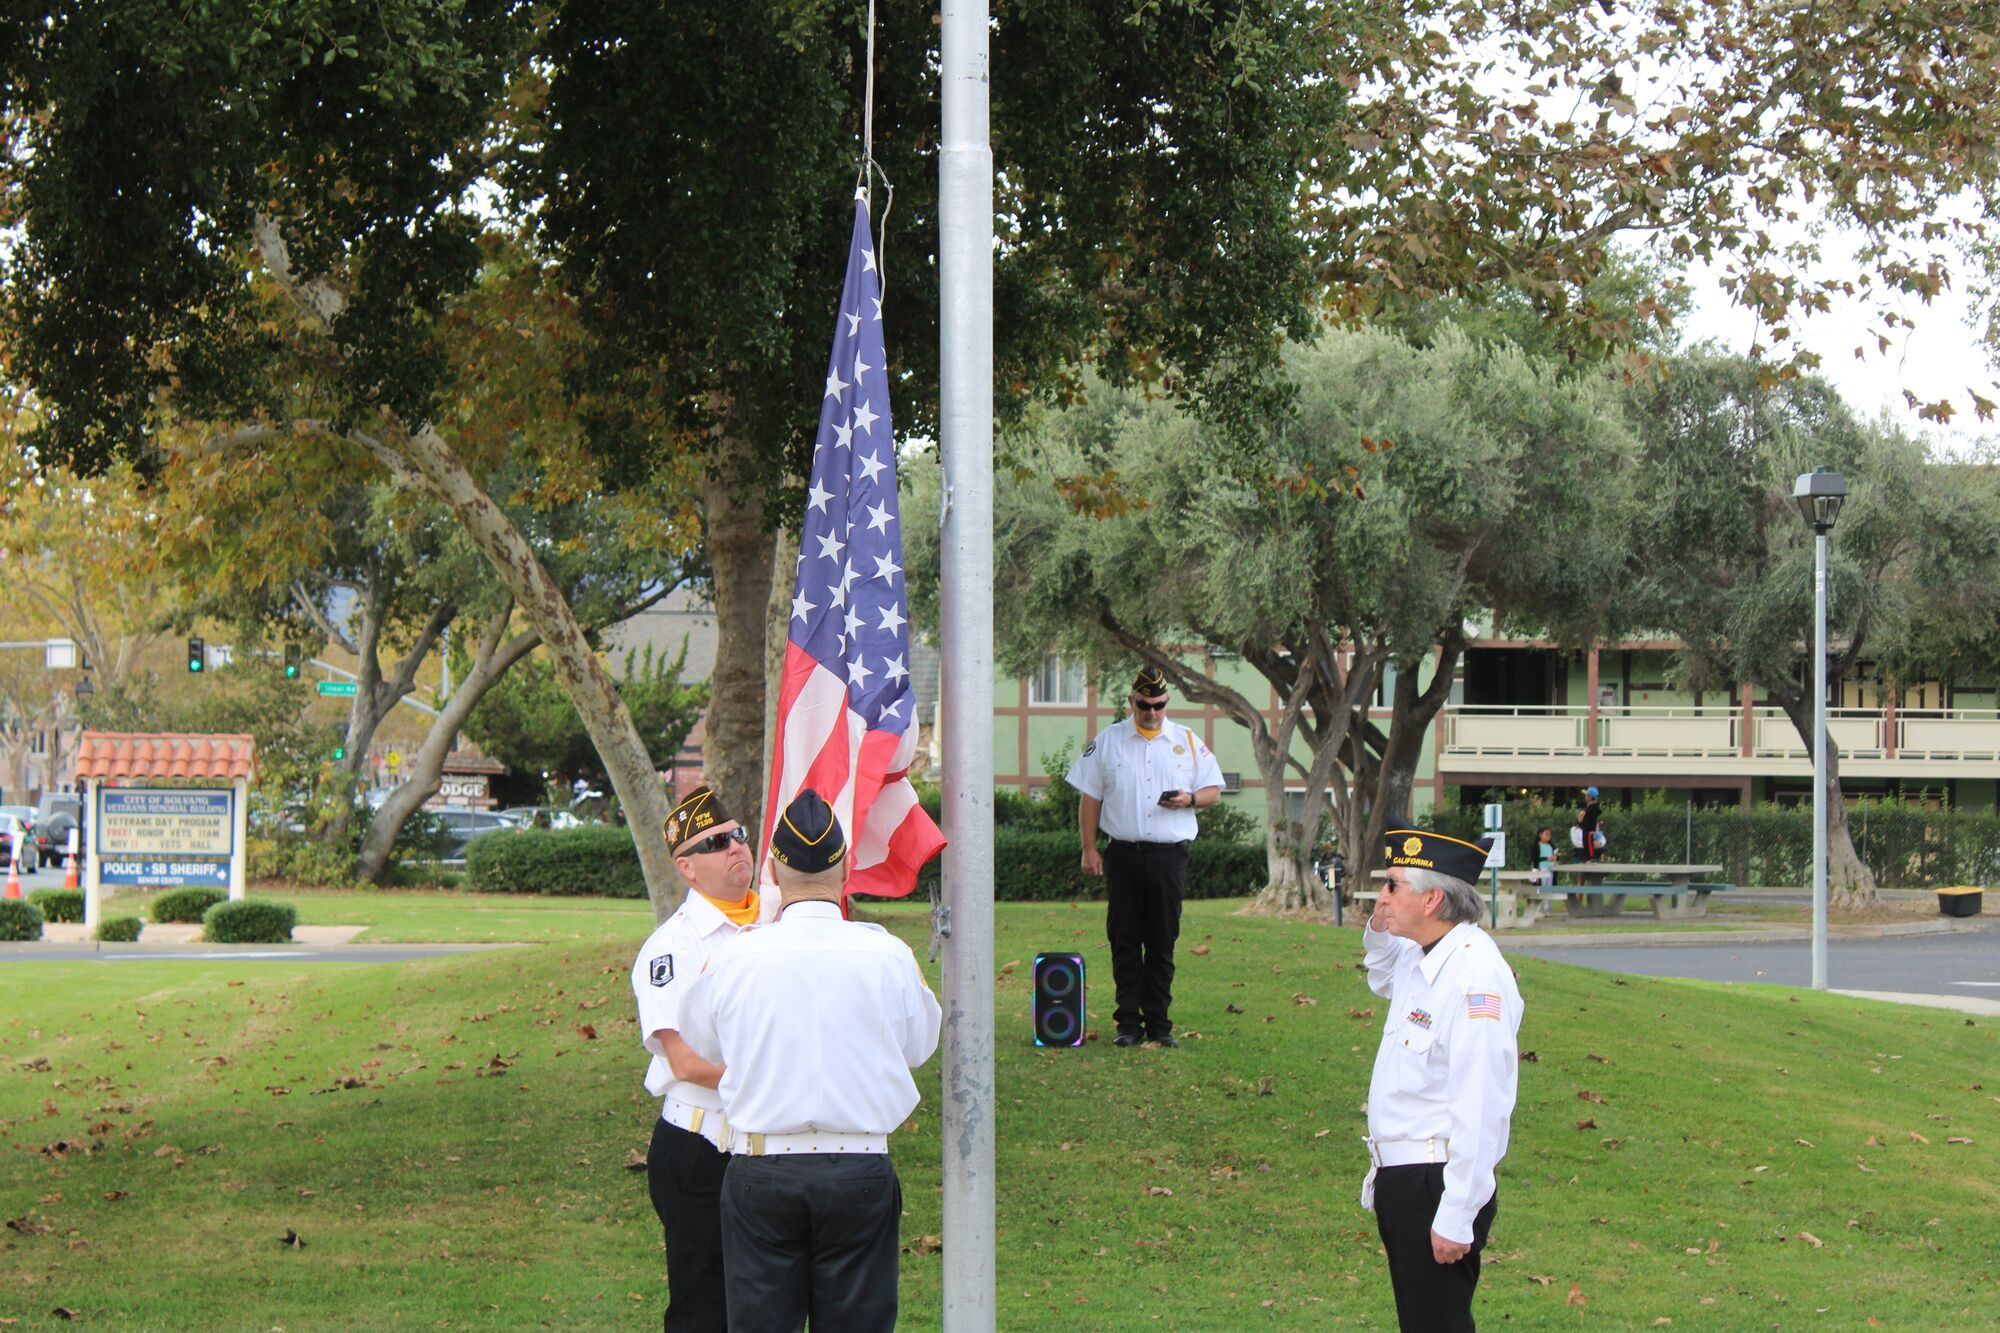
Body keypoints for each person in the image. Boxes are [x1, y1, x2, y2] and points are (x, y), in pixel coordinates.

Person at [677, 790, 942, 1333]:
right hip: (858, 1167)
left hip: (762, 1169)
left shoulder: (735, 956)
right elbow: (919, 1048)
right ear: (846, 868)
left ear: (773, 869)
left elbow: (704, 1043)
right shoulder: (888, 955)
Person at [1360, 828, 1524, 1333]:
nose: (1381, 897)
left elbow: (1482, 1106)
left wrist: (1457, 1212)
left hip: (1435, 1180)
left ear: (1432, 899)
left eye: (1392, 887)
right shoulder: (1424, 954)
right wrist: (1382, 922)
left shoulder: (1474, 977)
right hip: (1405, 1177)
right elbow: (1379, 972)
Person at [628, 785, 762, 1333]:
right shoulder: (673, 948)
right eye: (716, 844)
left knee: (763, 1302)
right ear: (686, 868)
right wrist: (776, 1081)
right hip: (700, 1147)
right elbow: (683, 1062)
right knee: (703, 1307)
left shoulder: (779, 922)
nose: (736, 848)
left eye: (738, 836)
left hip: (765, 1143)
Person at [1066, 665, 1225, 1048]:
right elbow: (1090, 799)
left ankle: (1158, 1024)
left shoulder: (1186, 740)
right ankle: (1128, 1024)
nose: (1151, 712)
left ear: (1167, 702)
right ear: (1131, 702)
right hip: (1123, 855)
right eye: (1143, 704)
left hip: (1169, 857)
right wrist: (1089, 848)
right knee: (1124, 938)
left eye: (1158, 705)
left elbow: (1213, 791)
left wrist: (1189, 799)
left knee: (1161, 940)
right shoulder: (1108, 742)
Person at [1577, 786, 1604, 862]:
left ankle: (1590, 858)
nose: (1585, 797)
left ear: (1589, 797)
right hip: (1587, 830)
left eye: (1586, 795)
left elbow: (1591, 821)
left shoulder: (1591, 809)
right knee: (1586, 844)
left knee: (1588, 845)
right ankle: (1588, 858)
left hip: (1589, 831)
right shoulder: (1590, 808)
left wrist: (1591, 830)